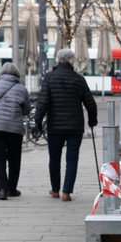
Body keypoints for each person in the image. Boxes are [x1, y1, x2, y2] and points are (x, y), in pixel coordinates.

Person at [35, 48, 98, 202]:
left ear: (58, 60)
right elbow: (90, 103)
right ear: (72, 60)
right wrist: (92, 120)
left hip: (55, 126)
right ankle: (67, 192)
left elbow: (43, 102)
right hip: (75, 127)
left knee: (54, 158)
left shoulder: (49, 78)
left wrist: (37, 122)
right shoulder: (79, 79)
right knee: (72, 159)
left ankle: (55, 190)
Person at [0, 62, 31, 200]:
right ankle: (12, 189)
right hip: (14, 129)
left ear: (1, 73)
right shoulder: (21, 89)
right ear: (16, 74)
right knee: (14, 159)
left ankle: (2, 190)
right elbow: (27, 110)